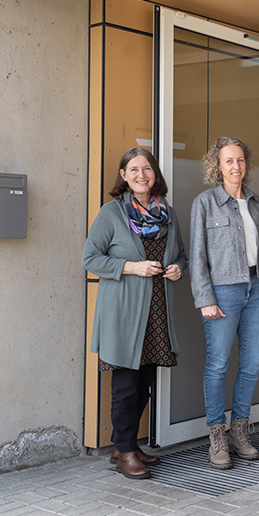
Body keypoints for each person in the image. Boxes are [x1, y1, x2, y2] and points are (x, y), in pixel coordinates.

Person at [82, 147, 187, 480]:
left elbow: (182, 255)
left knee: (144, 385)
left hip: (156, 312)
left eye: (147, 169)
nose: (141, 175)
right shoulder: (111, 213)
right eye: (134, 169)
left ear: (155, 174)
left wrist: (177, 269)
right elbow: (90, 258)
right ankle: (125, 451)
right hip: (124, 314)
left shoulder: (167, 214)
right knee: (126, 386)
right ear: (124, 176)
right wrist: (131, 267)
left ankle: (122, 443)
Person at [189, 137, 259, 470]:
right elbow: (198, 255)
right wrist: (204, 298)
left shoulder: (255, 202)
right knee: (217, 364)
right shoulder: (205, 203)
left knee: (252, 364)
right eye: (229, 161)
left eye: (241, 160)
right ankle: (217, 435)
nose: (236, 166)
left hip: (258, 287)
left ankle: (239, 431)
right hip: (224, 291)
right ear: (218, 165)